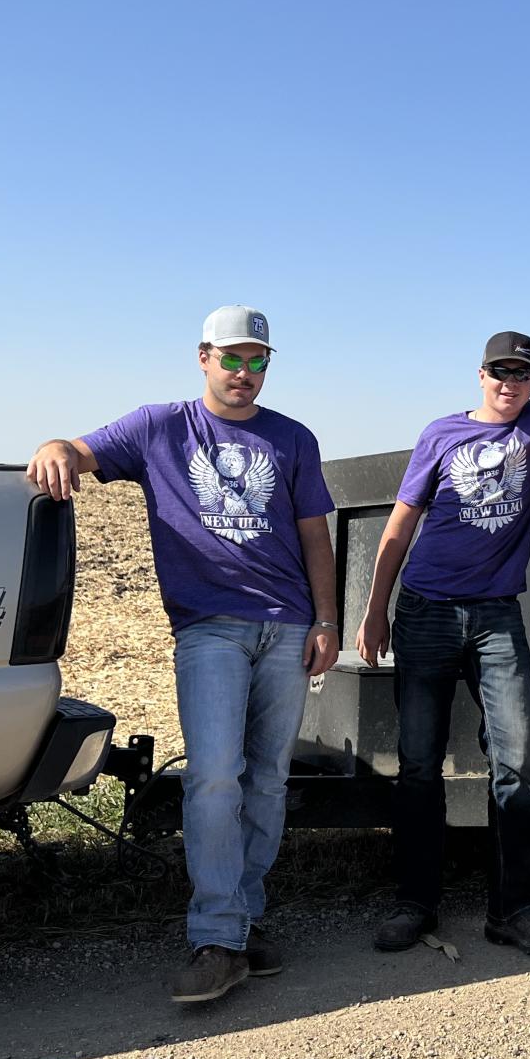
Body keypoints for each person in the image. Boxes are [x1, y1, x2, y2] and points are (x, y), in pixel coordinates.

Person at [26, 305, 339, 1005]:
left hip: (286, 627)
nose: (243, 371)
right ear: (203, 357)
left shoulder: (292, 438)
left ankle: (241, 921)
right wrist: (55, 445)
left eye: (256, 359)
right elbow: (80, 450)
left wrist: (325, 619)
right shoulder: (158, 426)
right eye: (231, 358)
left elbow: (315, 534)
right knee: (213, 779)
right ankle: (216, 938)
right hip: (210, 628)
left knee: (265, 781)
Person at [355, 332, 530, 957]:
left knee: (516, 761)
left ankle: (512, 909)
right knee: (420, 765)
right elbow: (400, 526)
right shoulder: (441, 433)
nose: (509, 384)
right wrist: (375, 612)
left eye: (522, 374)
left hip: (495, 617)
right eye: (499, 373)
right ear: (480, 375)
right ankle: (415, 904)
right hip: (425, 609)